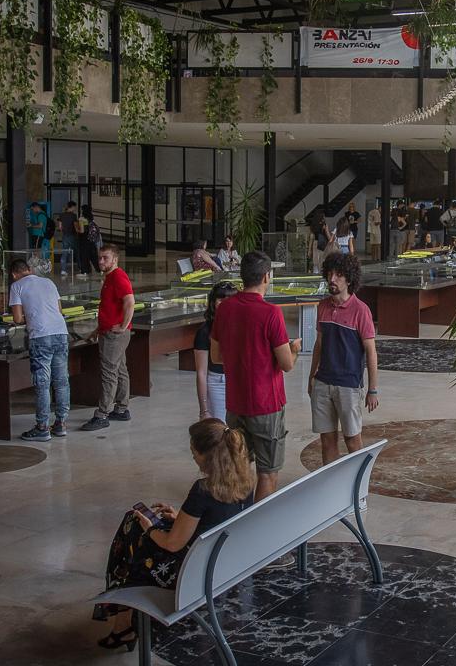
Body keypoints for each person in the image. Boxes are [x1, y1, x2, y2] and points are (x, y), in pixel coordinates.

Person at [92, 419, 254, 650]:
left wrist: (150, 528)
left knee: (134, 527)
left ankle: (123, 622)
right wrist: (181, 517)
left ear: (208, 455)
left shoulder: (203, 490)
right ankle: (123, 623)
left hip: (190, 572)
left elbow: (172, 544)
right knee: (141, 532)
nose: (192, 456)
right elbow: (217, 519)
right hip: (222, 562)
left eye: (193, 451)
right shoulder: (245, 483)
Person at [212, 251, 303, 501]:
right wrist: (294, 350)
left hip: (235, 403)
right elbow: (286, 364)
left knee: (239, 468)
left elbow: (216, 356)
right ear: (266, 276)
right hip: (266, 404)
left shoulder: (225, 309)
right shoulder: (270, 313)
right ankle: (259, 531)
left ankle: (237, 520)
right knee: (268, 471)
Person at [308, 252, 379, 464]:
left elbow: (371, 352)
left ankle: (358, 490)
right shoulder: (322, 306)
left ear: (349, 279)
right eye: (330, 274)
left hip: (348, 385)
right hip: (323, 382)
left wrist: (373, 389)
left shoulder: (361, 310)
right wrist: (311, 377)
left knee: (352, 441)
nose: (332, 279)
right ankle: (333, 487)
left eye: (338, 275)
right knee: (327, 440)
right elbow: (319, 344)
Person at [8, 258, 70, 441]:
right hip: (61, 332)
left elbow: (18, 318)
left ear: (14, 274)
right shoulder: (48, 282)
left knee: (42, 383)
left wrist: (32, 317)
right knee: (61, 381)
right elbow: (58, 310)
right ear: (29, 269)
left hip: (41, 336)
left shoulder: (17, 286)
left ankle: (42, 427)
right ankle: (61, 424)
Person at [81, 244, 135, 431]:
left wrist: (123, 325)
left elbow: (130, 301)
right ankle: (121, 408)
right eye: (100, 257)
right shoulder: (109, 277)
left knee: (109, 372)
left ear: (115, 259)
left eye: (105, 258)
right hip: (109, 331)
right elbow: (111, 307)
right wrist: (98, 329)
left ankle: (102, 414)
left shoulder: (118, 276)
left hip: (115, 335)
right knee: (120, 369)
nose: (101, 261)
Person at [194, 282, 238, 420]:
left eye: (230, 299)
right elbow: (201, 373)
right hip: (218, 382)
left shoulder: (242, 326)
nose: (225, 303)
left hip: (240, 379)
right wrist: (204, 410)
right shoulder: (204, 331)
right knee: (221, 429)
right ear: (213, 303)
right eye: (221, 299)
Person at [58, 201, 79, 276]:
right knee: (76, 251)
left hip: (65, 236)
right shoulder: (73, 215)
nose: (75, 208)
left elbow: (60, 227)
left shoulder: (62, 215)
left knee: (64, 252)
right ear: (72, 207)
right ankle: (80, 268)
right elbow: (76, 226)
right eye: (75, 207)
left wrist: (64, 230)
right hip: (72, 235)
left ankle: (63, 270)